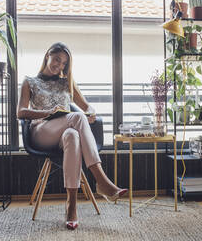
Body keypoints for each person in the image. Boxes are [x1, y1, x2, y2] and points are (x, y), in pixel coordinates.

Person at [17, 42, 127, 230]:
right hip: (41, 132)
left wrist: (91, 114)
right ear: (47, 56)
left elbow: (87, 107)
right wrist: (46, 113)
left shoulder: (66, 82)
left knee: (72, 136)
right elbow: (20, 112)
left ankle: (72, 206)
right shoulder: (30, 82)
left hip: (63, 133)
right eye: (57, 60)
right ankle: (101, 180)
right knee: (75, 118)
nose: (59, 66)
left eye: (63, 64)